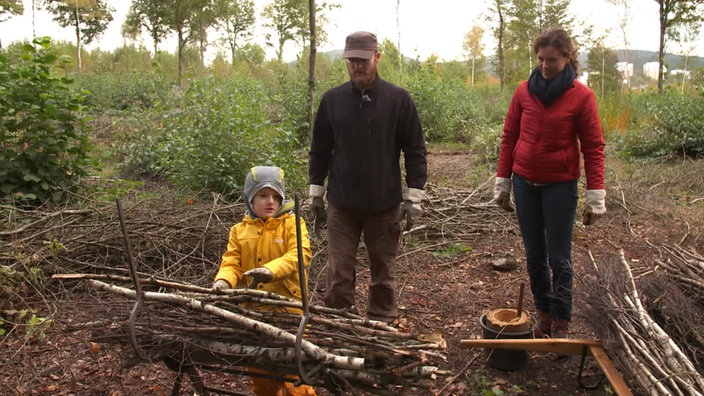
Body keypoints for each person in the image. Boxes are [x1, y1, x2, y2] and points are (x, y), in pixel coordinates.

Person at [308, 31, 428, 325]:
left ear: (377, 57)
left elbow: (415, 149)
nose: (357, 66)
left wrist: (414, 196)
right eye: (352, 60)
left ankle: (381, 325)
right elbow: (319, 149)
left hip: (384, 204)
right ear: (346, 61)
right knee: (339, 272)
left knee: (383, 273)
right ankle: (339, 327)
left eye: (363, 60)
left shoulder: (398, 99)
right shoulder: (332, 100)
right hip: (341, 204)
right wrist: (315, 191)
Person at [493, 27, 606, 339]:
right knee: (533, 255)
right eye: (541, 59)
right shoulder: (523, 91)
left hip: (560, 186)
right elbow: (509, 137)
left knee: (559, 256)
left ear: (567, 58)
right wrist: (503, 181)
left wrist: (595, 194)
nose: (544, 65)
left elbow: (593, 146)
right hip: (525, 183)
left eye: (552, 60)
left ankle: (561, 319)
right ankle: (543, 312)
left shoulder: (581, 96)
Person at [212, 165, 316, 396]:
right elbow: (232, 263)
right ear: (251, 198)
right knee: (262, 380)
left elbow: (300, 255)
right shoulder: (239, 230)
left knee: (295, 382)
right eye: (263, 195)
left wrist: (270, 270)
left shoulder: (293, 224)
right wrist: (223, 281)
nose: (271, 201)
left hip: (289, 311)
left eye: (276, 196)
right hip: (254, 314)